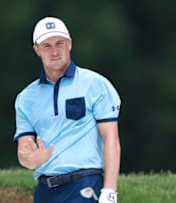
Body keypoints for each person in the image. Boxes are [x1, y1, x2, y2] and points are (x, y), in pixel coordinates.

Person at [13, 16, 121, 203]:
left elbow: (111, 138)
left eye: (59, 43)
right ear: (37, 50)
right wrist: (34, 159)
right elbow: (24, 154)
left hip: (84, 183)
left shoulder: (95, 84)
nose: (54, 51)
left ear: (69, 44)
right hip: (45, 191)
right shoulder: (26, 98)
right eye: (46, 46)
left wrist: (109, 191)